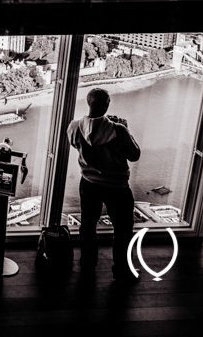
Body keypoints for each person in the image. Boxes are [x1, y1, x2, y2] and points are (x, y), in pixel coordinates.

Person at [67, 88, 141, 280]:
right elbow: (134, 155)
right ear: (107, 104)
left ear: (88, 103)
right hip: (117, 187)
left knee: (88, 225)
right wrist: (125, 127)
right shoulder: (118, 130)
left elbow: (76, 144)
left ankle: (88, 262)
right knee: (123, 229)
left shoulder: (74, 127)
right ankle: (121, 269)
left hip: (89, 183)